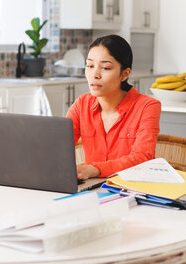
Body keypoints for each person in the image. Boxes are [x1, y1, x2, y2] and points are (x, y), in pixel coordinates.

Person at [66, 34, 161, 180]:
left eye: (105, 67)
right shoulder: (81, 104)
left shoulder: (147, 106)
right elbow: (59, 146)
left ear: (124, 74)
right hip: (91, 191)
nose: (94, 75)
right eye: (90, 66)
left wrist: (95, 169)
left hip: (131, 189)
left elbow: (143, 158)